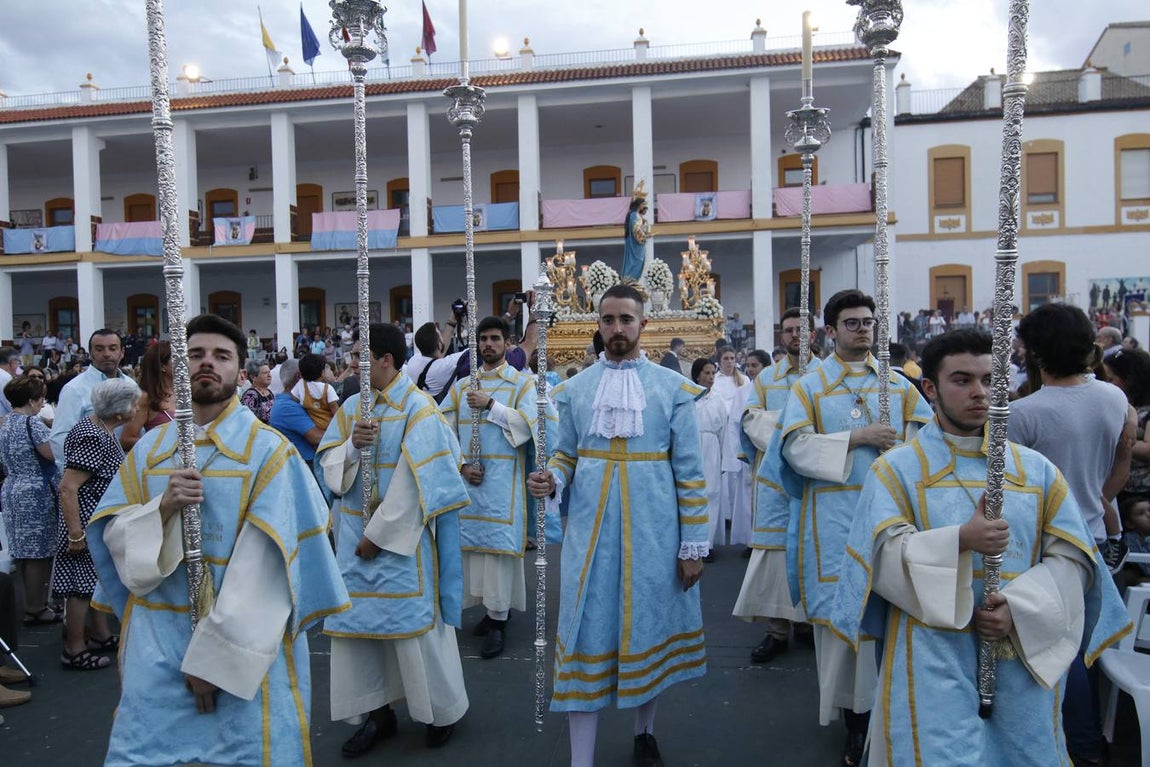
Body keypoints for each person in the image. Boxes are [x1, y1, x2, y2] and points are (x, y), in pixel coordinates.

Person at [830, 328, 1130, 766]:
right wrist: (958, 542)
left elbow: (1074, 560)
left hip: (1018, 648)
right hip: (931, 651)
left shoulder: (1036, 470)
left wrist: (1022, 608)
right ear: (930, 388)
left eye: (990, 380)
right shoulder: (896, 470)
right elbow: (879, 556)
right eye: (962, 380)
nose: (979, 392)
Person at [86, 313, 350, 766]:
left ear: (239, 372)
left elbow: (268, 572)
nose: (208, 363)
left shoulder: (269, 453)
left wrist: (215, 663)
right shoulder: (150, 451)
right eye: (196, 354)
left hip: (243, 655)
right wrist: (162, 508)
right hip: (157, 648)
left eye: (221, 356)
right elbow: (114, 539)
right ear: (177, 368)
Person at [527, 284, 708, 767]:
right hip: (591, 539)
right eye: (608, 320)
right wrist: (553, 477)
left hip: (654, 535)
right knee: (585, 633)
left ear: (643, 325)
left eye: (626, 319)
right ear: (599, 325)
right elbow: (566, 451)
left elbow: (690, 472)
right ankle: (580, 760)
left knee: (646, 631)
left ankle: (644, 732)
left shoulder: (673, 389)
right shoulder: (577, 389)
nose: (617, 329)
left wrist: (693, 547)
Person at [778, 289, 933, 766]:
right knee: (844, 628)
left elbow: (930, 441)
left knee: (889, 621)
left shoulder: (899, 386)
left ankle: (890, 713)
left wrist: (901, 444)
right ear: (831, 331)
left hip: (889, 518)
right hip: (833, 522)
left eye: (868, 322)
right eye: (852, 323)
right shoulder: (811, 386)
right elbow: (794, 448)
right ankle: (854, 721)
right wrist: (856, 438)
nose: (863, 329)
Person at [316, 322, 471, 756]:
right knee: (359, 634)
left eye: (361, 357)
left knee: (415, 633)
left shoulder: (419, 408)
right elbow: (326, 464)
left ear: (385, 360)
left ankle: (442, 711)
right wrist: (350, 447)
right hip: (351, 538)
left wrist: (379, 535)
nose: (352, 364)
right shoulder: (350, 407)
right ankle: (376, 713)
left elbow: (417, 482)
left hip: (401, 546)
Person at [1007, 302, 1132, 766]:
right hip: (1094, 531)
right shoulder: (1113, 398)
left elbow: (1013, 490)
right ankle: (1085, 744)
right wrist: (1100, 499)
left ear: (1037, 353)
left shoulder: (1022, 413)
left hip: (1048, 543)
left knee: (1057, 650)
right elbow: (1121, 458)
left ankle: (1072, 744)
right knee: (1080, 648)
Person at [441, 316, 554, 659]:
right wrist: (460, 464)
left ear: (508, 343)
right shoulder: (462, 387)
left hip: (505, 489)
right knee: (474, 556)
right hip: (470, 487)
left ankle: (500, 619)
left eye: (495, 338)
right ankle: (487, 613)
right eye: (483, 339)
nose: (488, 344)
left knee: (499, 558)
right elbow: (442, 430)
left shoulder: (521, 385)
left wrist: (492, 406)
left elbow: (540, 426)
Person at [734, 308, 819, 663]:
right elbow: (751, 420)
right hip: (775, 482)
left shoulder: (828, 376)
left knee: (812, 553)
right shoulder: (766, 379)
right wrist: (792, 440)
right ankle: (777, 630)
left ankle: (808, 624)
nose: (795, 335)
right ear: (781, 335)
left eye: (802, 329)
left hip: (815, 480)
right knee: (773, 558)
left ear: (814, 335)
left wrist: (797, 437)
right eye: (788, 330)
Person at [55, 378, 139, 671]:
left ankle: (99, 635)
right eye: (133, 404)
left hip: (93, 522)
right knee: (80, 588)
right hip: (84, 524)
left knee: (94, 581)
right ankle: (75, 648)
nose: (137, 408)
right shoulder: (93, 434)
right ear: (119, 412)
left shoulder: (99, 429)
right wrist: (76, 534)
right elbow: (68, 487)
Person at [0, 375, 61, 625]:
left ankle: (31, 603)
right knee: (38, 553)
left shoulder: (4, 423)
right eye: (40, 398)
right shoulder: (31, 424)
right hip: (34, 491)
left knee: (22, 553)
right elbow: (49, 453)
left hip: (11, 487)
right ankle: (36, 607)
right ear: (32, 400)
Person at [50, 329, 137, 471]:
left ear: (122, 352)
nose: (107, 354)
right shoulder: (74, 389)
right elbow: (60, 438)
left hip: (128, 473)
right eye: (99, 349)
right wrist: (78, 474)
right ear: (90, 353)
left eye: (112, 348)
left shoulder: (131, 385)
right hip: (91, 476)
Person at [691, 358, 728, 558]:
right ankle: (693, 541)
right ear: (697, 374)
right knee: (693, 494)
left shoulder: (718, 400)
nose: (710, 377)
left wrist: (723, 458)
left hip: (712, 449)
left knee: (712, 494)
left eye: (713, 373)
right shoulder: (688, 398)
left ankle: (708, 543)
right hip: (693, 449)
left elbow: (723, 430)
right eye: (706, 373)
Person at [1103, 348, 1150, 499]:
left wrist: (1113, 440)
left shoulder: (1146, 409)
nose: (1106, 384)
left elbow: (1148, 449)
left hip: (1139, 494)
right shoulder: (1119, 404)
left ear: (1130, 379)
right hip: (1115, 486)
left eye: (1111, 380)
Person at [268, 359, 325, 463]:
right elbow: (316, 437)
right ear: (299, 376)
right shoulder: (287, 407)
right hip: (305, 464)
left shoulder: (290, 402)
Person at [121, 340, 174, 449]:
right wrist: (160, 444)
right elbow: (126, 439)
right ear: (162, 366)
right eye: (176, 358)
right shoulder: (146, 397)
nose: (185, 362)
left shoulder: (189, 393)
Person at [292, 353, 339, 432]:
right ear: (322, 373)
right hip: (329, 429)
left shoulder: (301, 384)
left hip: (311, 428)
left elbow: (294, 399)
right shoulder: (328, 389)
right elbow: (336, 412)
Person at [621, 185, 650, 283]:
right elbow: (635, 228)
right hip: (636, 243)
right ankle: (630, 280)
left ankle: (633, 281)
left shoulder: (636, 215)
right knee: (635, 261)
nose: (644, 206)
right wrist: (644, 236)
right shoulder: (634, 215)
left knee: (638, 261)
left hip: (638, 243)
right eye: (643, 204)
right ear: (639, 205)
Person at [240, 359, 275, 424]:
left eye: (269, 372)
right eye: (265, 373)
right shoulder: (250, 396)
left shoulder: (269, 391)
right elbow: (246, 421)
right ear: (253, 377)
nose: (269, 375)